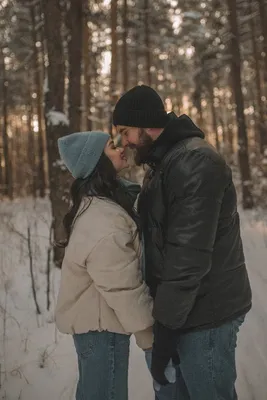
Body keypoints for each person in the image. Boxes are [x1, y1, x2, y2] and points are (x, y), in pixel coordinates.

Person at [113, 85, 252, 400]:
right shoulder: (164, 163)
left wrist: (166, 326)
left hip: (207, 316)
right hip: (185, 312)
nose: (124, 141)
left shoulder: (194, 162)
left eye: (125, 131)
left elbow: (188, 257)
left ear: (146, 124)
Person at [55, 131, 154, 400]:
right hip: (101, 333)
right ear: (98, 161)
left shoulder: (99, 206)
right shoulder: (102, 219)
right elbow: (123, 288)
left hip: (97, 331)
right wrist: (150, 338)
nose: (121, 148)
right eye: (112, 146)